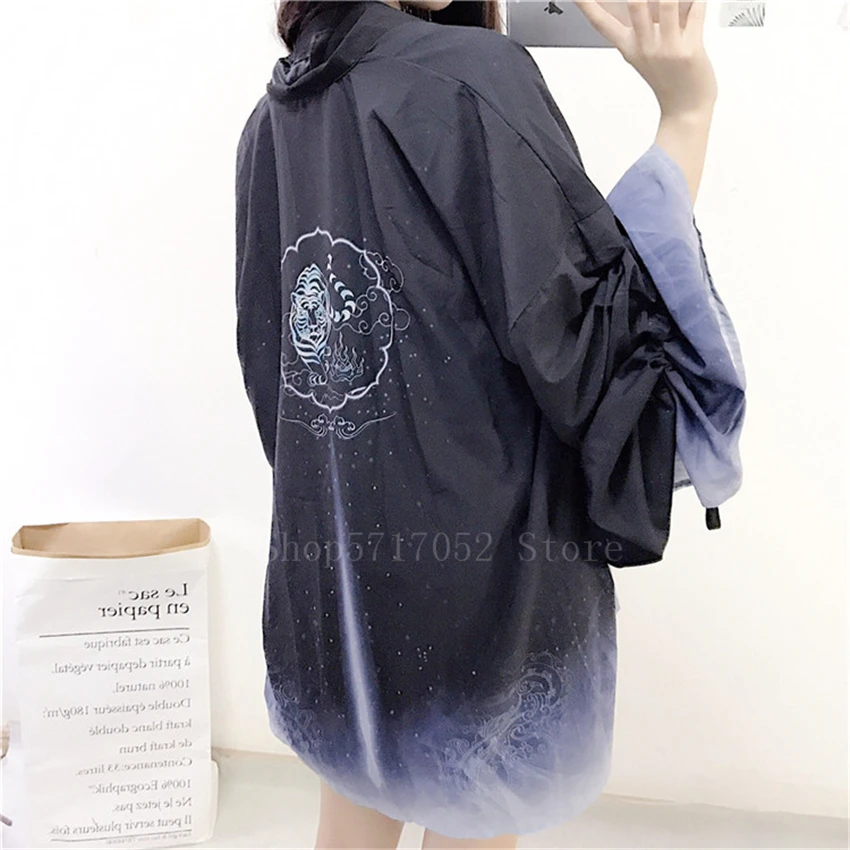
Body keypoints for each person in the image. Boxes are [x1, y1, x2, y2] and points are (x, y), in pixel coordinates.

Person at [234, 1, 745, 847]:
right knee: (474, 806)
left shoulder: (275, 117)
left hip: (336, 567)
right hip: (487, 583)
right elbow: (594, 354)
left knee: (352, 808)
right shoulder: (471, 81)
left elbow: (274, 375)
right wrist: (687, 112)